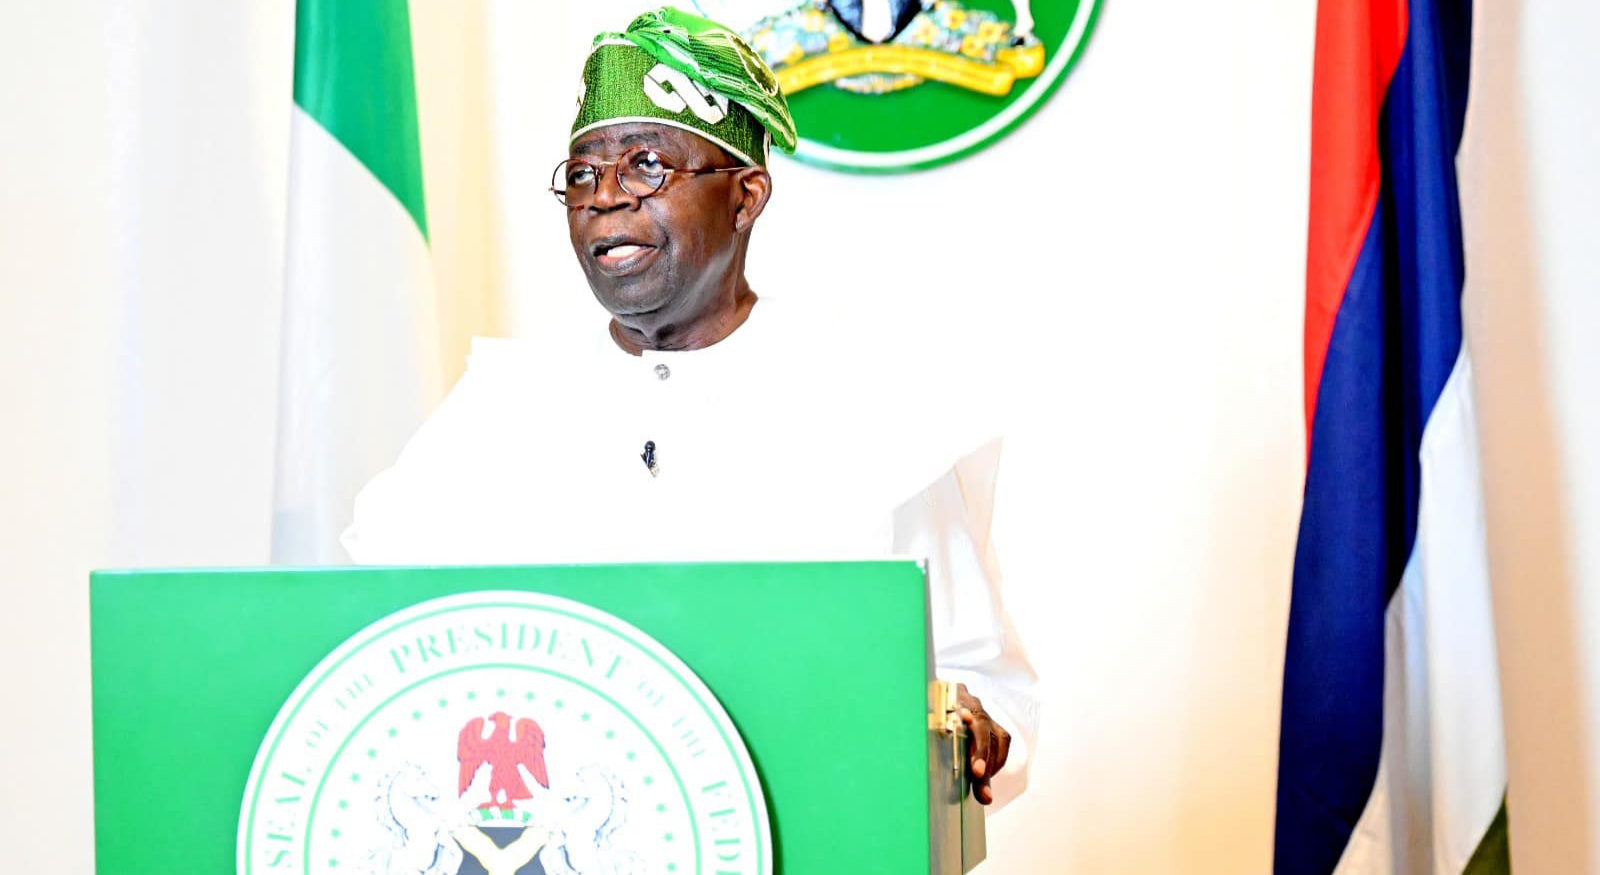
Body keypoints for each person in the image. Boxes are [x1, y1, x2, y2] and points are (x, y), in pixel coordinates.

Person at [343, 6, 1037, 808]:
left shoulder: (872, 411)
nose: (604, 198)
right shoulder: (499, 411)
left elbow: (983, 687)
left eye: (646, 165)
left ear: (744, 197)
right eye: (582, 174)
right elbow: (370, 630)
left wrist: (974, 727)